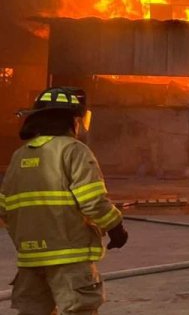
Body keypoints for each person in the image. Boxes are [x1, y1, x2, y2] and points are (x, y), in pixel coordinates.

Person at [0, 87, 128, 315]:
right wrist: (115, 226)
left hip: (30, 259)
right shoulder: (74, 150)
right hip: (69, 257)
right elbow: (92, 201)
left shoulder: (19, 156)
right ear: (70, 120)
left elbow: (4, 207)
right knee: (78, 310)